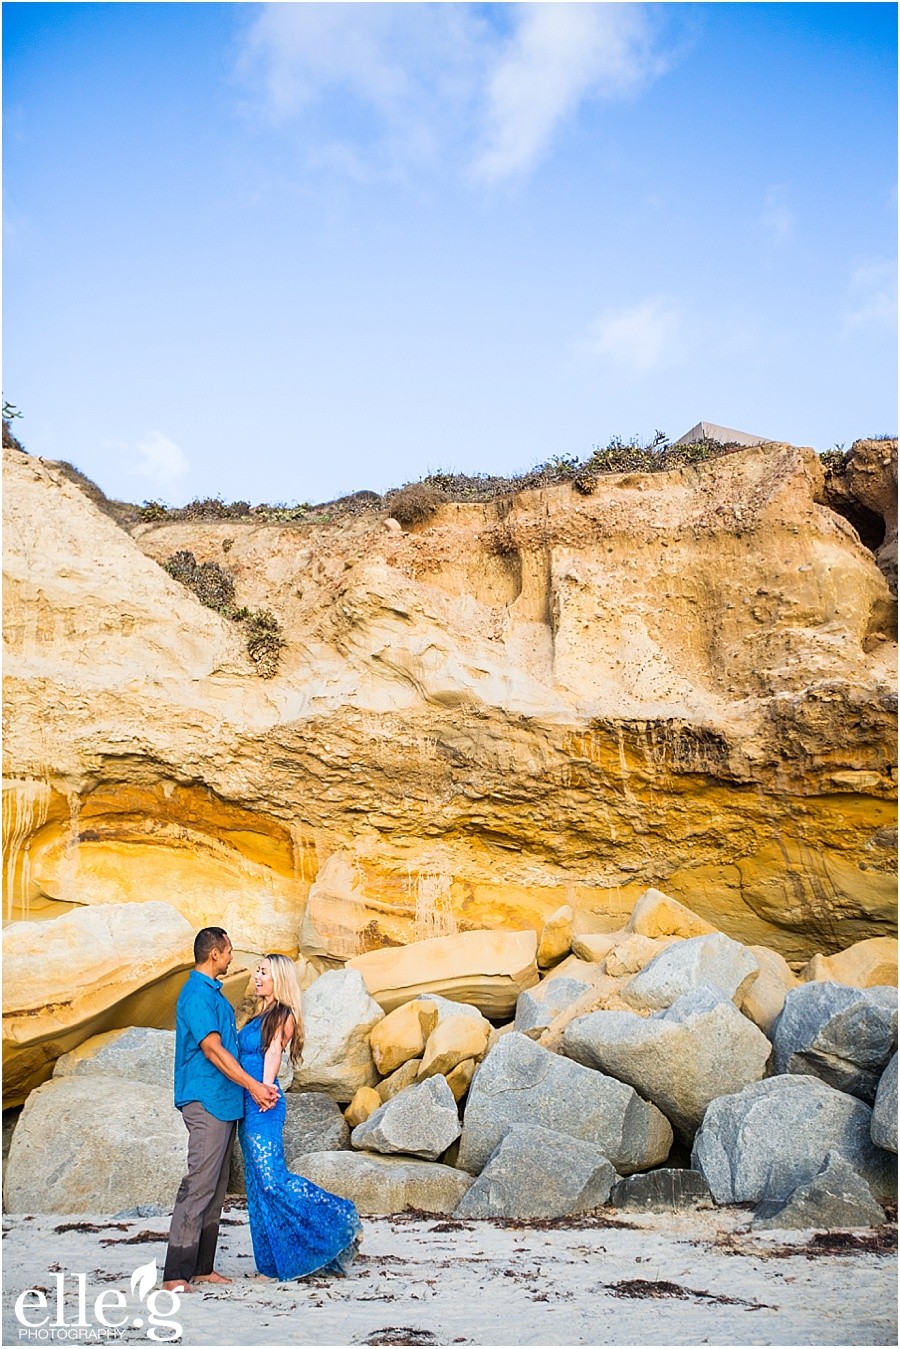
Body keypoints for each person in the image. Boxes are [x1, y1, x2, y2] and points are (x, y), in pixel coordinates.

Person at [163, 927, 279, 1293]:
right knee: (198, 1185)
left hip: (225, 1103)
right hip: (206, 1100)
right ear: (215, 954)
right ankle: (175, 1275)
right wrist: (254, 1085)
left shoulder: (214, 994)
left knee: (215, 1190)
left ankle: (201, 1267)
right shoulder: (196, 995)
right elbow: (213, 1051)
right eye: (229, 952)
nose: (231, 958)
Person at [237, 953, 362, 1279]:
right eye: (258, 971)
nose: (257, 977)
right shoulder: (256, 1016)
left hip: (264, 1104)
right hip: (247, 1107)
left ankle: (340, 1216)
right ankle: (270, 1265)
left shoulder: (282, 1015)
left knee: (273, 1179)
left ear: (279, 979)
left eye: (264, 972)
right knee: (257, 1186)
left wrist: (264, 1087)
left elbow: (275, 1050)